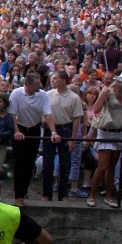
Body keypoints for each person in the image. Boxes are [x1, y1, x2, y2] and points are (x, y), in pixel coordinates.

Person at [8, 73, 60, 206]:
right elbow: (12, 114)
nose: (40, 85)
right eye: (37, 83)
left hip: (34, 129)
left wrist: (54, 132)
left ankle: (24, 190)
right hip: (20, 128)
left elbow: (47, 114)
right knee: (19, 163)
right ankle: (18, 195)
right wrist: (16, 131)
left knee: (30, 163)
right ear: (28, 84)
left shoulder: (42, 94)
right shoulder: (16, 93)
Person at [87, 72, 122, 208]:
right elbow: (96, 109)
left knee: (112, 167)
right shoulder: (108, 92)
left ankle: (109, 195)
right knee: (102, 166)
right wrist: (102, 94)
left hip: (119, 132)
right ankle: (92, 195)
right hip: (106, 131)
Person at [43, 71, 83, 201]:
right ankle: (47, 193)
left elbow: (76, 120)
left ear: (64, 80)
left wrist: (72, 139)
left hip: (66, 129)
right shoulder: (48, 94)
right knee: (48, 163)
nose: (52, 80)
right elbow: (45, 114)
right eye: (52, 78)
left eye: (55, 78)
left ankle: (63, 194)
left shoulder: (74, 97)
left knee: (65, 164)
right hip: (50, 129)